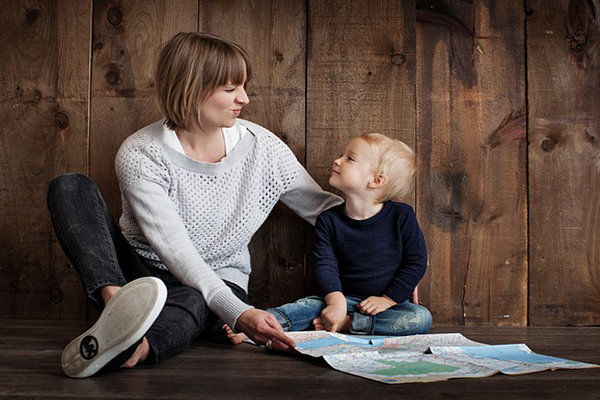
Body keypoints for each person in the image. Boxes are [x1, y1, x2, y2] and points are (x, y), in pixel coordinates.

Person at [47, 32, 342, 378]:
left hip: (218, 279)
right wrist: (241, 315)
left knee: (194, 299)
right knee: (70, 187)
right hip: (137, 273)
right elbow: (175, 250)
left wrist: (392, 252)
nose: (244, 99)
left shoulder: (265, 149)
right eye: (231, 89)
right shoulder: (141, 153)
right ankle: (119, 311)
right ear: (191, 88)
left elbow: (324, 210)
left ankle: (135, 347)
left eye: (243, 87)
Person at [226, 133, 431, 343]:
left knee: (420, 318)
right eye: (342, 155)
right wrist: (335, 302)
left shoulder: (401, 216)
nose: (337, 160)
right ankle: (255, 327)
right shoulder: (329, 220)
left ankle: (349, 325)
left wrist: (388, 299)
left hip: (387, 306)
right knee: (307, 307)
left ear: (376, 180)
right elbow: (325, 264)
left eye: (350, 158)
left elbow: (415, 262)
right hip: (342, 298)